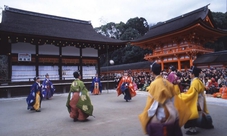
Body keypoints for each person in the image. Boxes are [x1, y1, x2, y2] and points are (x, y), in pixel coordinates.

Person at [138, 62, 183, 136]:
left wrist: (150, 114)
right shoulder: (167, 82)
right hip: (170, 111)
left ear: (152, 72)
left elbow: (153, 102)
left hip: (160, 113)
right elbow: (172, 99)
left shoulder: (154, 84)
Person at [175, 66, 214, 135]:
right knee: (195, 114)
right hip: (199, 100)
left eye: (190, 73)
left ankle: (193, 129)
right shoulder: (197, 80)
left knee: (191, 113)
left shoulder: (195, 82)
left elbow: (192, 93)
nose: (189, 74)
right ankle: (200, 125)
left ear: (193, 74)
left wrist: (183, 95)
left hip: (196, 101)